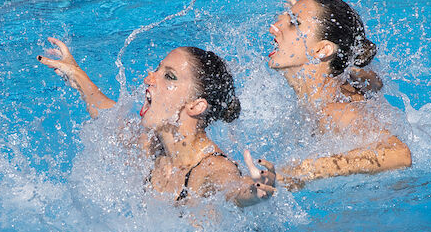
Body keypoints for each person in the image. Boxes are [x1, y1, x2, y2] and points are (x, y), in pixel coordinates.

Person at [37, 38, 276, 207]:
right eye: (157, 70)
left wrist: (256, 190)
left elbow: (233, 188)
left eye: (168, 76)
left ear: (196, 106)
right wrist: (76, 73)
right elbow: (107, 113)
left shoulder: (210, 168)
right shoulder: (152, 146)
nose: (148, 78)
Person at [268, 0, 412, 188]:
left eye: (294, 23)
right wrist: (297, 22)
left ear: (322, 50)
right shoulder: (337, 86)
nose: (272, 29)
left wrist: (302, 171)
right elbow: (374, 81)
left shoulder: (335, 111)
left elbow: (399, 154)